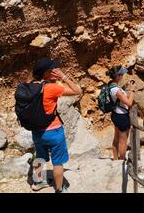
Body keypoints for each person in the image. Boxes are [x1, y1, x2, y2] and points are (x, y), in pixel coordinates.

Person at [31, 58, 82, 193]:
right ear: (47, 73)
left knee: (40, 157)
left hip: (36, 131)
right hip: (53, 131)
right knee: (58, 162)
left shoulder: (30, 86)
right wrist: (63, 77)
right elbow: (77, 91)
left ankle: (37, 183)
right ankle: (59, 189)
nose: (56, 71)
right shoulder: (52, 88)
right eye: (53, 70)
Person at [108, 66, 136, 161]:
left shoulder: (111, 85)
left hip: (115, 114)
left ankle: (115, 160)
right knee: (123, 141)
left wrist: (126, 86)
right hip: (121, 116)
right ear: (118, 76)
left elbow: (117, 97)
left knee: (116, 138)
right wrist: (132, 90)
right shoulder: (117, 90)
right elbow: (129, 103)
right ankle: (122, 162)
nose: (123, 76)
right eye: (122, 74)